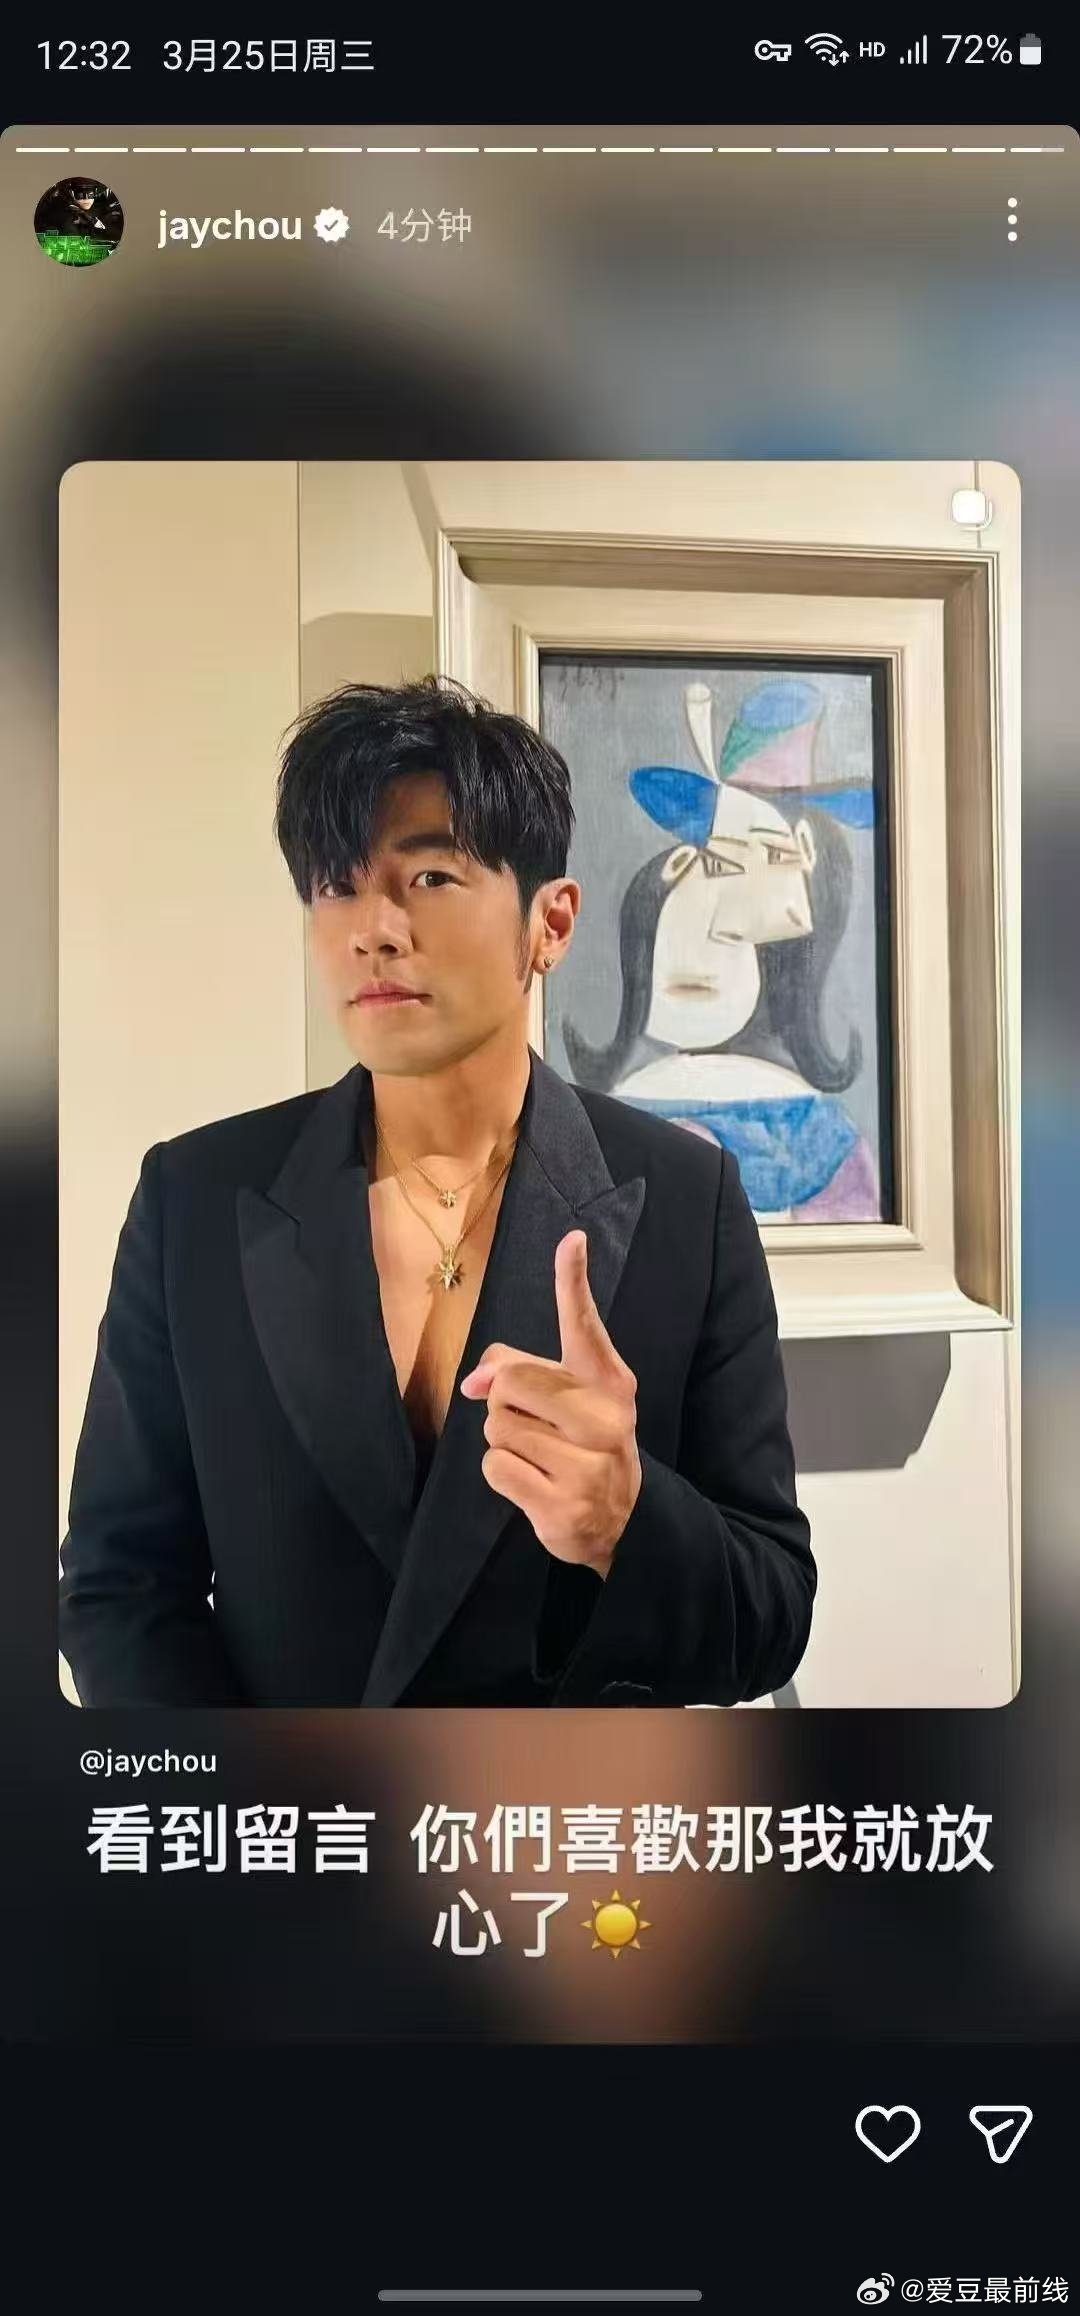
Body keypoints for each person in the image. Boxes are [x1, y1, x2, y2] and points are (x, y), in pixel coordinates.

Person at [58, 677, 815, 1707]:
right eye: (336, 884)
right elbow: (118, 1586)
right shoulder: (197, 1199)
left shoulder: (688, 1202)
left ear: (550, 924)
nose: (372, 928)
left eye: (429, 878)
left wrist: (627, 1521)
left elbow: (770, 1619)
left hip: (557, 1811)